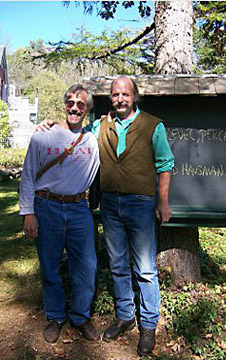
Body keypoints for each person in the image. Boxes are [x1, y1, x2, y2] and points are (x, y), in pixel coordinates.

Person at [39, 76, 174, 356]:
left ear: (135, 97)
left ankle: (148, 325)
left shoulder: (153, 125)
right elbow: (73, 127)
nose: (120, 98)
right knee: (118, 264)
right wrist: (50, 124)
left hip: (141, 203)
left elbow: (165, 165)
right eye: (115, 94)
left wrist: (163, 202)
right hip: (110, 205)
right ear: (111, 98)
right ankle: (125, 315)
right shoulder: (100, 125)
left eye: (125, 94)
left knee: (146, 269)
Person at [19, 84, 100, 344]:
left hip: (79, 209)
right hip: (47, 207)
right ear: (65, 104)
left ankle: (80, 316)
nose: (75, 108)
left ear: (88, 110)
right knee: (50, 266)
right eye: (71, 102)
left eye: (81, 104)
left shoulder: (93, 138)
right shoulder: (43, 135)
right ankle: (55, 316)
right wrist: (28, 213)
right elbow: (28, 175)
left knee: (87, 267)